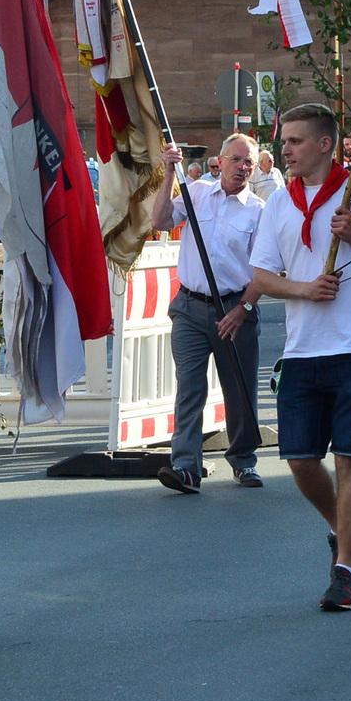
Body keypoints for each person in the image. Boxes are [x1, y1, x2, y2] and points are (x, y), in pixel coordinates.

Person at [249, 103, 351, 612]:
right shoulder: (279, 202)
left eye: (295, 141)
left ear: (324, 144)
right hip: (302, 349)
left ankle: (346, 570)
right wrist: (305, 288)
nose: (285, 150)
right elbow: (262, 277)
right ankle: (347, 528)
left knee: (350, 458)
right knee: (299, 459)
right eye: (284, 142)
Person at [149, 133, 266, 494]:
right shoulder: (196, 192)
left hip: (234, 308)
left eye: (249, 162)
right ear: (220, 161)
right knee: (190, 387)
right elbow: (161, 220)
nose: (242, 167)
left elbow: (264, 270)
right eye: (236, 160)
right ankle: (185, 466)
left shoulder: (258, 210)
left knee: (239, 388)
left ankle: (243, 460)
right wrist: (169, 172)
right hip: (189, 307)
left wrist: (244, 309)